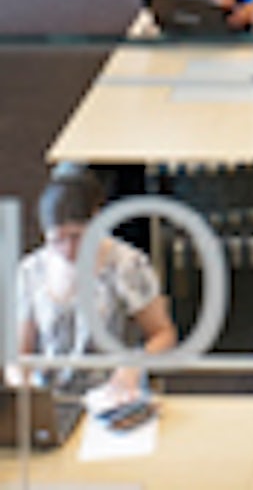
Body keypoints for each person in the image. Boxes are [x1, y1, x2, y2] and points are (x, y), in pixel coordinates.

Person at [15, 167, 177, 400]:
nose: (68, 250)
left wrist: (134, 365)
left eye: (77, 237)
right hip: (51, 396)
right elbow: (21, 352)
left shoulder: (127, 265)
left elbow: (164, 335)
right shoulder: (31, 271)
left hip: (112, 392)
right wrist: (21, 382)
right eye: (58, 240)